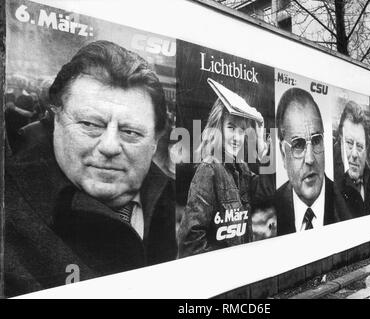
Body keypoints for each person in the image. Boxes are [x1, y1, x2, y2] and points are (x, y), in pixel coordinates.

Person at [5, 40, 177, 297]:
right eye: (89, 124)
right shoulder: (10, 213)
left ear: (155, 140)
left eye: (130, 132)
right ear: (56, 120)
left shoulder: (170, 198)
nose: (109, 146)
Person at [177, 81, 274, 258]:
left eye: (242, 130)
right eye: (231, 127)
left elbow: (267, 191)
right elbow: (190, 243)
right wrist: (226, 263)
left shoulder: (241, 169)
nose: (237, 137)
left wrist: (263, 150)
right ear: (218, 127)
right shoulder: (209, 169)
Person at [275, 88, 351, 235]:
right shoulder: (270, 208)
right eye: (298, 145)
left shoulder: (348, 202)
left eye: (316, 140)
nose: (310, 159)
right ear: (283, 154)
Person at [334, 101, 370, 218]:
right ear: (340, 142)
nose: (355, 154)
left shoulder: (369, 176)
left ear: (366, 148)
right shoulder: (331, 183)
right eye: (349, 143)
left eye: (360, 146)